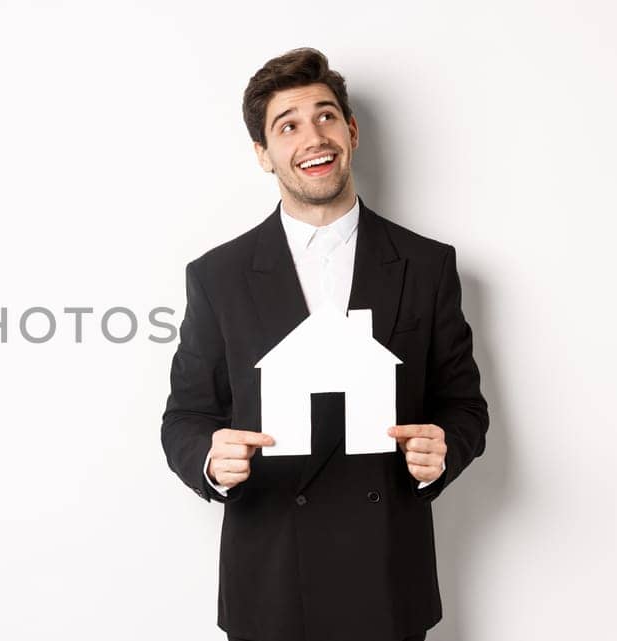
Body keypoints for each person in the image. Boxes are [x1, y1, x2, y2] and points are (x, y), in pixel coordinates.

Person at [160, 48, 489, 641]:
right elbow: (185, 415)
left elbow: (464, 407)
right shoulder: (218, 276)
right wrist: (210, 458)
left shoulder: (426, 264)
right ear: (264, 155)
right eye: (287, 125)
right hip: (272, 580)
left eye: (326, 116)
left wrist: (444, 451)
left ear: (352, 132)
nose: (313, 136)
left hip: (386, 578)